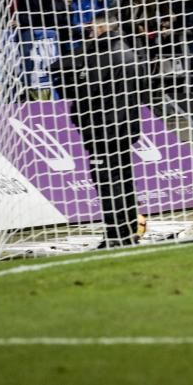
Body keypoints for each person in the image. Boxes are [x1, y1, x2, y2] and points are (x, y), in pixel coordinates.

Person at [50, 14, 143, 248]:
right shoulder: (130, 53)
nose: (88, 34)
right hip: (126, 127)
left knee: (107, 181)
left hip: (103, 128)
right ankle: (129, 229)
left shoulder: (100, 56)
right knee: (124, 178)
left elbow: (79, 86)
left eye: (91, 30)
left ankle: (115, 233)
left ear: (101, 28)